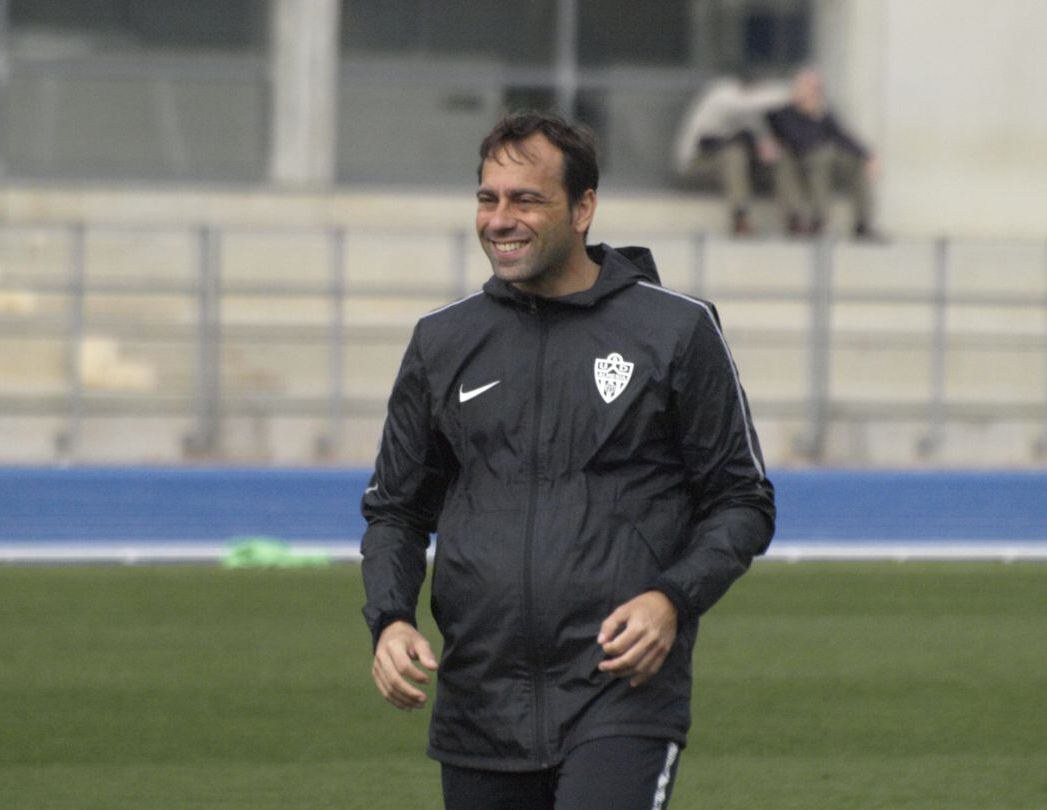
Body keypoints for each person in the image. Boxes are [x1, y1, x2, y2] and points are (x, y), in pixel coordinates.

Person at [360, 111, 776, 810]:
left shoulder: (675, 328)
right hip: (480, 700)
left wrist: (670, 598)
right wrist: (390, 619)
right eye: (488, 198)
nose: (500, 219)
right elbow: (396, 511)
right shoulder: (442, 341)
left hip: (623, 690)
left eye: (526, 199)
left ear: (583, 209)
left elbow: (742, 501)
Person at [765, 66, 881, 238]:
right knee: (820, 155)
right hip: (797, 160)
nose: (813, 92)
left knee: (854, 162)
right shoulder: (783, 113)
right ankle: (814, 218)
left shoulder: (823, 114)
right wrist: (811, 117)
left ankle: (863, 223)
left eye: (816, 88)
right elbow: (798, 140)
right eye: (808, 86)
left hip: (820, 161)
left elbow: (842, 136)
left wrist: (867, 156)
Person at [672, 73, 789, 235]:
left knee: (781, 156)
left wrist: (766, 147)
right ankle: (740, 218)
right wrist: (793, 94)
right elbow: (746, 104)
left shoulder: (750, 115)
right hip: (696, 163)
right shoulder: (721, 95)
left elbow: (760, 137)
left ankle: (796, 218)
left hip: (735, 168)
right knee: (734, 153)